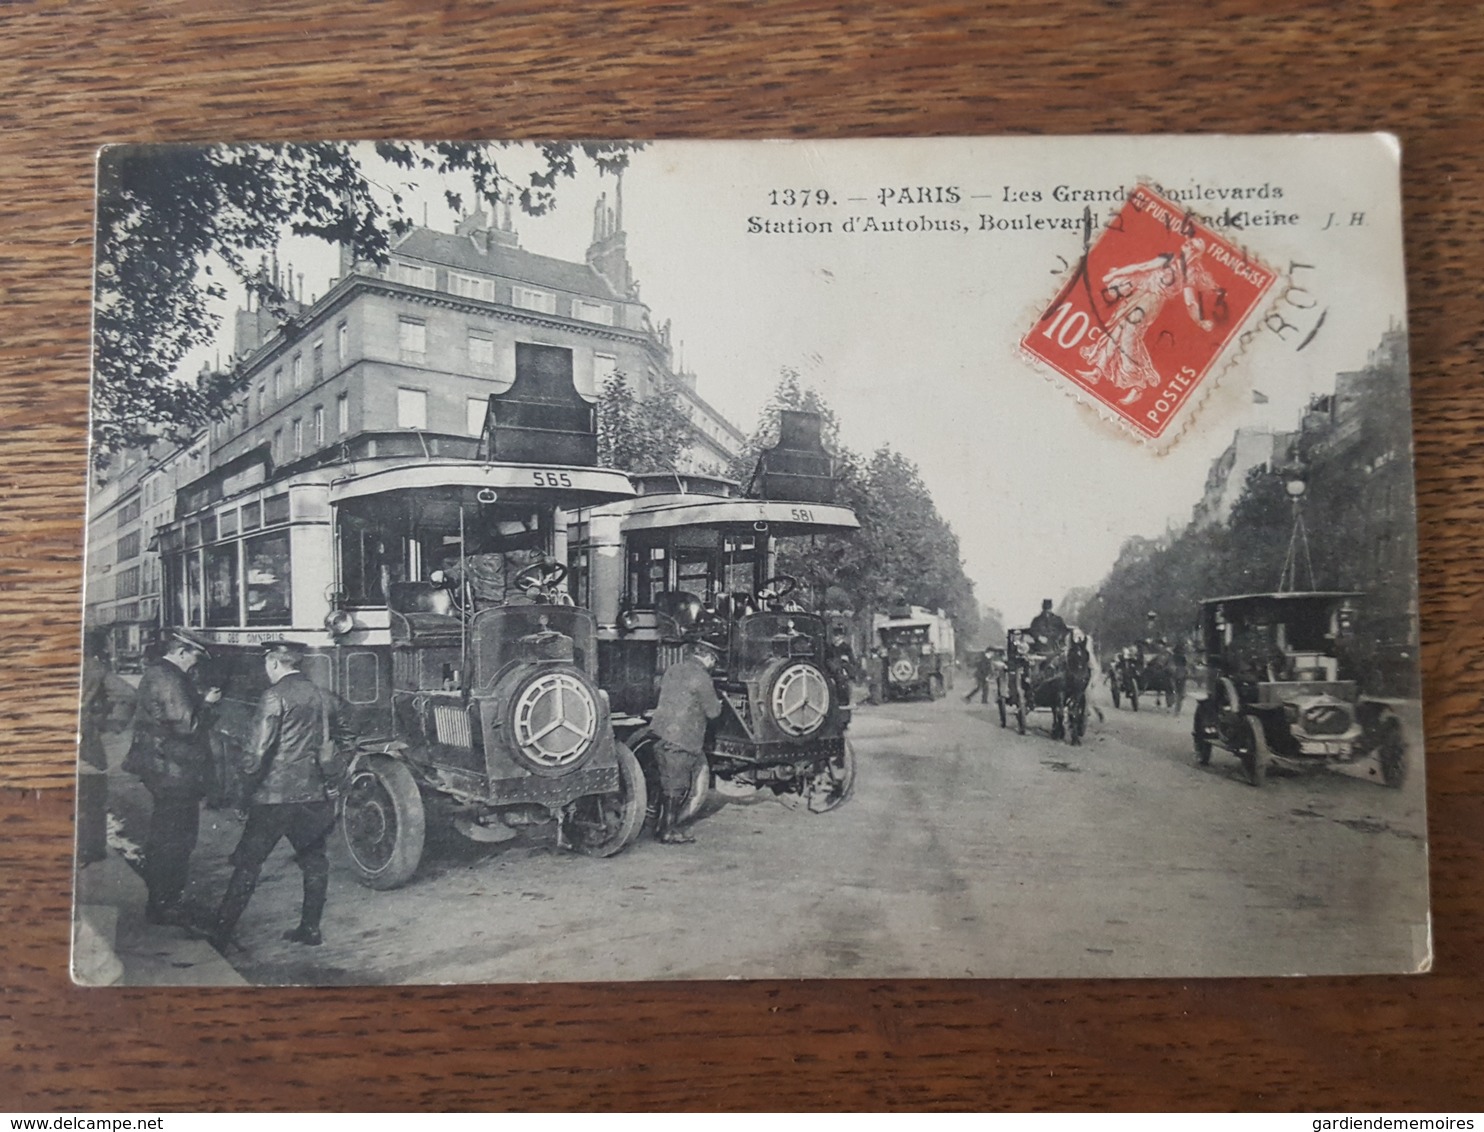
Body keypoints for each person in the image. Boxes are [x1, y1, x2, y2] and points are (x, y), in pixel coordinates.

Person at [204, 640, 350, 950]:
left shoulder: (273, 697)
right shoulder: (323, 696)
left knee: (248, 863)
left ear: (273, 664)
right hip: (314, 796)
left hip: (274, 798)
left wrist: (242, 795)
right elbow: (347, 734)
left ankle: (220, 933)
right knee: (314, 863)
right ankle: (310, 929)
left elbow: (256, 755)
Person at [122, 629, 221, 926]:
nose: (195, 665)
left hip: (165, 769)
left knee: (168, 835)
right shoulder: (169, 678)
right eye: (194, 658)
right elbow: (187, 725)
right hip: (174, 772)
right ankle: (165, 904)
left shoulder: (160, 674)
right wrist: (209, 704)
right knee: (175, 839)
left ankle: (162, 900)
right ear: (181, 652)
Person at [648, 639, 722, 845]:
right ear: (708, 657)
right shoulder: (702, 677)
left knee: (666, 782)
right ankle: (668, 831)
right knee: (675, 787)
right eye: (714, 660)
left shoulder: (674, 668)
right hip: (683, 738)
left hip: (662, 732)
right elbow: (713, 712)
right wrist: (720, 703)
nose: (713, 665)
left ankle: (658, 826)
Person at [76, 628, 113, 866]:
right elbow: (126, 696)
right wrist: (106, 723)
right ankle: (93, 849)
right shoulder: (96, 668)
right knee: (93, 799)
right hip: (88, 741)